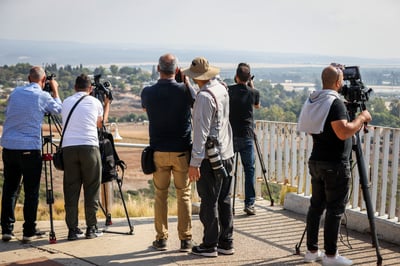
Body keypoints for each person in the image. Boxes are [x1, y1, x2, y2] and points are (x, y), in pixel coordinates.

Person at [297, 64, 372, 265]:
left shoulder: (315, 99)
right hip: (334, 164)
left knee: (316, 207)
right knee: (334, 210)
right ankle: (331, 256)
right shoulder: (335, 103)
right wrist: (362, 117)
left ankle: (312, 251)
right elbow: (343, 131)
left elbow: (315, 128)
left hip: (317, 160)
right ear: (338, 82)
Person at [1, 66, 62, 242]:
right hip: (29, 148)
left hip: (9, 147)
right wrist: (55, 90)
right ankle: (28, 231)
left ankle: (6, 229)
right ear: (43, 81)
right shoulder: (42, 96)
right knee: (31, 191)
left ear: (29, 79)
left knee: (10, 189)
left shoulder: (15, 93)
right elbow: (58, 110)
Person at [141, 53, 194, 252]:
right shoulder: (185, 91)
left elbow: (148, 110)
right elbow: (195, 102)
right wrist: (186, 83)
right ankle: (185, 239)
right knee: (184, 195)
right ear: (177, 70)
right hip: (181, 151)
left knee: (160, 195)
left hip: (158, 150)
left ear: (158, 69)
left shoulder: (147, 92)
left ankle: (161, 238)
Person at [183, 57, 235, 257]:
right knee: (224, 199)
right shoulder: (221, 88)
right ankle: (226, 241)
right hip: (226, 153)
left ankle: (209, 244)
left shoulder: (204, 97)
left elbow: (201, 133)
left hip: (210, 158)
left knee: (208, 201)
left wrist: (194, 162)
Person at [61, 74, 109, 240]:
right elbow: (100, 124)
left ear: (75, 87)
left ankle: (72, 229)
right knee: (92, 188)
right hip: (89, 147)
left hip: (68, 148)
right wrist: (107, 105)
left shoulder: (66, 102)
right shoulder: (95, 102)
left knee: (71, 190)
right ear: (90, 89)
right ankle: (91, 227)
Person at [228, 63, 260, 215]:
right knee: (249, 170)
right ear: (248, 78)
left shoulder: (228, 90)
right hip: (247, 135)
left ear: (236, 76)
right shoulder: (253, 92)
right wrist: (251, 85)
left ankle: (226, 201)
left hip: (231, 135)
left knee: (227, 169)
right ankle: (249, 204)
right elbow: (257, 106)